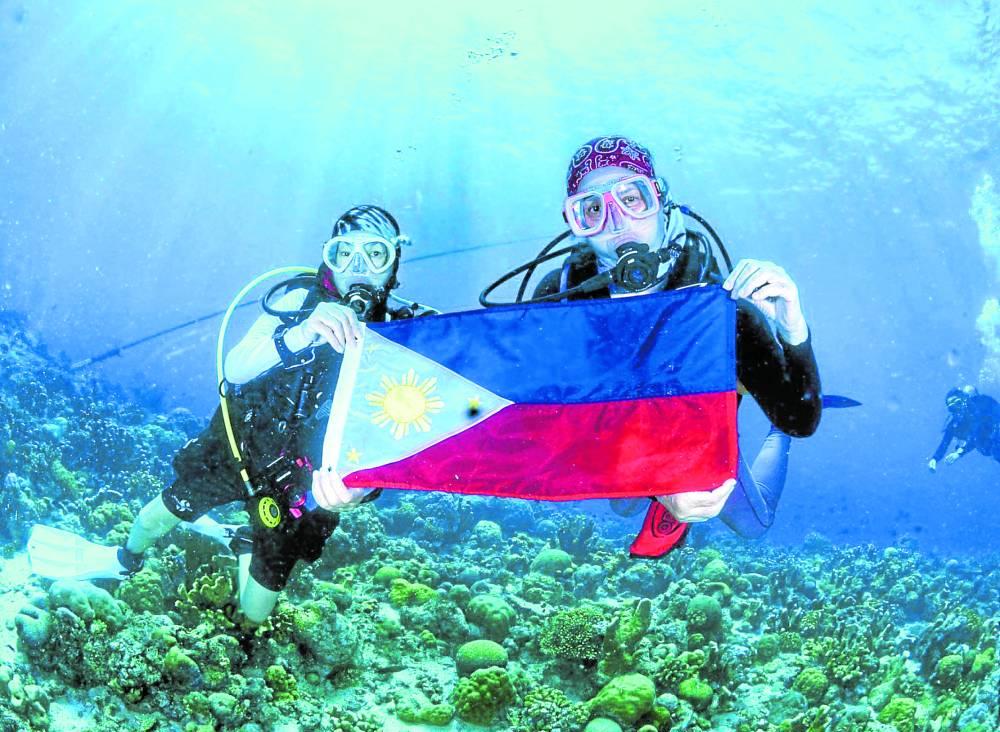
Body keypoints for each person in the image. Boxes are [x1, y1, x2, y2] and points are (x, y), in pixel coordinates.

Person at [29, 205, 436, 624]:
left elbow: (401, 439)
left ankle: (247, 542)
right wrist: (301, 333)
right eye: (344, 253)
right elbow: (235, 368)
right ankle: (123, 560)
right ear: (327, 258)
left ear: (394, 265)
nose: (359, 267)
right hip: (238, 451)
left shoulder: (406, 342)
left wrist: (357, 493)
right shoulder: (297, 301)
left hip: (299, 490)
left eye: (375, 254)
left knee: (254, 617)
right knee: (151, 520)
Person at [532, 135, 824, 556]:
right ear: (574, 222)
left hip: (700, 439)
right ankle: (658, 497)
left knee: (752, 526)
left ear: (661, 200)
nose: (617, 223)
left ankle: (754, 447)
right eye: (593, 210)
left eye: (633, 198)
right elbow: (532, 420)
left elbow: (800, 417)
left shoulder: (718, 304)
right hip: (619, 435)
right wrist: (651, 476)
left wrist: (792, 330)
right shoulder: (558, 299)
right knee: (622, 506)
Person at [928, 385, 1000, 471]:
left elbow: (978, 431)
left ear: (965, 401)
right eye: (952, 408)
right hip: (990, 446)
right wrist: (935, 459)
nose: (957, 410)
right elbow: (945, 442)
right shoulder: (954, 424)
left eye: (958, 403)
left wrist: (960, 452)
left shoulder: (977, 411)